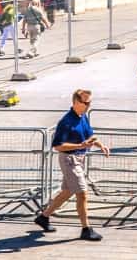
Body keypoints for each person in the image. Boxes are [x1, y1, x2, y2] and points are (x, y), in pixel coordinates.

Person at [33, 90, 108, 241]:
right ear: (76, 102)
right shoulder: (66, 122)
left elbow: (89, 135)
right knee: (82, 193)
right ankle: (86, 229)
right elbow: (58, 146)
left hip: (78, 158)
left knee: (67, 192)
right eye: (86, 103)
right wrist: (81, 144)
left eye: (90, 102)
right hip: (69, 160)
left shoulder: (83, 116)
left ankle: (43, 217)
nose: (88, 105)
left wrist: (100, 144)